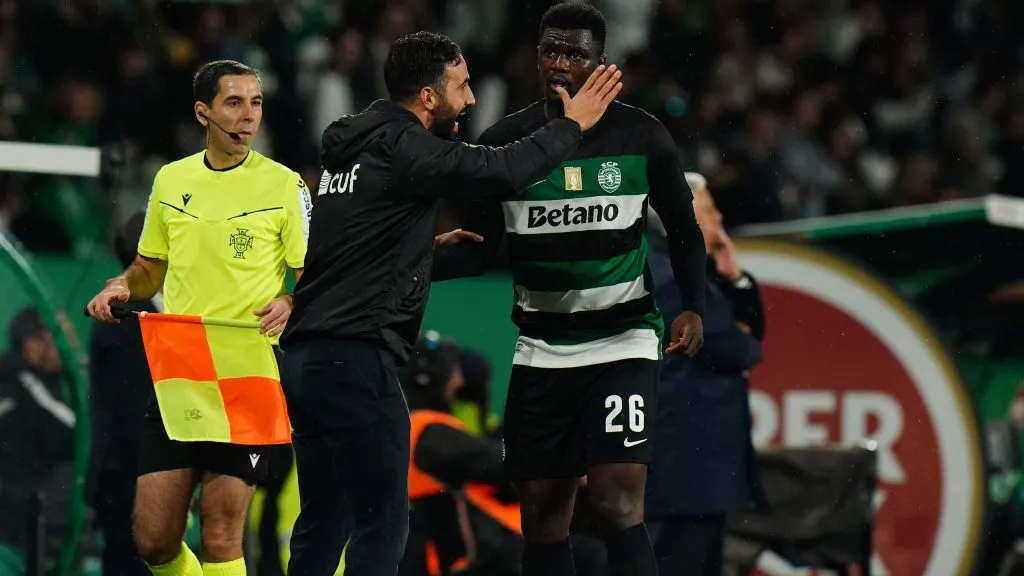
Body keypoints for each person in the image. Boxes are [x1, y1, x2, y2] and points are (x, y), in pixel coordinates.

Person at [277, 29, 622, 576]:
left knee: (324, 520)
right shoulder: (403, 145)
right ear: (428, 96)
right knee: (381, 524)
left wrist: (417, 250)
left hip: (306, 362)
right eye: (461, 86)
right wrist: (571, 124)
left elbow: (343, 256)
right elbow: (500, 169)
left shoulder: (354, 149)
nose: (472, 99)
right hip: (355, 357)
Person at [437, 3, 708, 575]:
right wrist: (402, 262)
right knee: (542, 511)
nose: (560, 63)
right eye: (551, 51)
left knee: (614, 500)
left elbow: (685, 231)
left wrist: (693, 306)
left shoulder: (642, 135)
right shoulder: (507, 142)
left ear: (600, 61)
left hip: (623, 341)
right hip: (541, 348)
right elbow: (479, 249)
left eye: (575, 54)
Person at [85, 60, 309, 576]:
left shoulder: (283, 185)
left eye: (256, 103)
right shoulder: (171, 179)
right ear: (202, 112)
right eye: (234, 103)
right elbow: (150, 268)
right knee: (154, 540)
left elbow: (315, 273)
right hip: (180, 378)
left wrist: (293, 301)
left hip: (248, 375)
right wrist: (123, 285)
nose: (248, 115)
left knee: (221, 533)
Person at [644, 172, 767, 575]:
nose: (719, 218)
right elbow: (738, 349)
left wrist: (735, 278)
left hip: (691, 470)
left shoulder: (680, 269)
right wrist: (740, 336)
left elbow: (748, 335)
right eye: (709, 209)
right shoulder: (673, 279)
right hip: (686, 468)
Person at [86, 212, 158, 576]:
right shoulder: (123, 318)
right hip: (127, 475)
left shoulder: (146, 314)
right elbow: (130, 412)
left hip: (134, 472)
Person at [0, 308, 74, 561]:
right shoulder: (23, 385)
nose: (71, 344)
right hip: (15, 521)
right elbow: (76, 433)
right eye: (62, 335)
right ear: (32, 347)